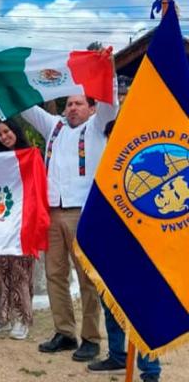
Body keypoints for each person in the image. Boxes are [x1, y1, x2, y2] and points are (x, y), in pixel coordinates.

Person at [20, 94, 117, 361]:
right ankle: (64, 332)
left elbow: (111, 103)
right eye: (70, 104)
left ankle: (90, 338)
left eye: (79, 104)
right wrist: (0, 77)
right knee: (55, 274)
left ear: (92, 108)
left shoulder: (98, 124)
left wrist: (105, 69)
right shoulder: (54, 126)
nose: (73, 108)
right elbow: (26, 106)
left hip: (82, 212)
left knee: (86, 278)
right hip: (52, 210)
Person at [87, 87, 160, 382]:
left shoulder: (152, 147)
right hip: (111, 234)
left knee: (142, 307)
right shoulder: (106, 142)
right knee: (112, 300)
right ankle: (117, 355)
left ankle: (151, 375)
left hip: (146, 238)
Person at [0, 119, 36, 339]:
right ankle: (2, 316)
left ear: (16, 131)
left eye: (7, 131)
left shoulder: (31, 156)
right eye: (0, 134)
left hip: (23, 225)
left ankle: (24, 319)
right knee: (1, 272)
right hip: (0, 225)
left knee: (21, 273)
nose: (4, 136)